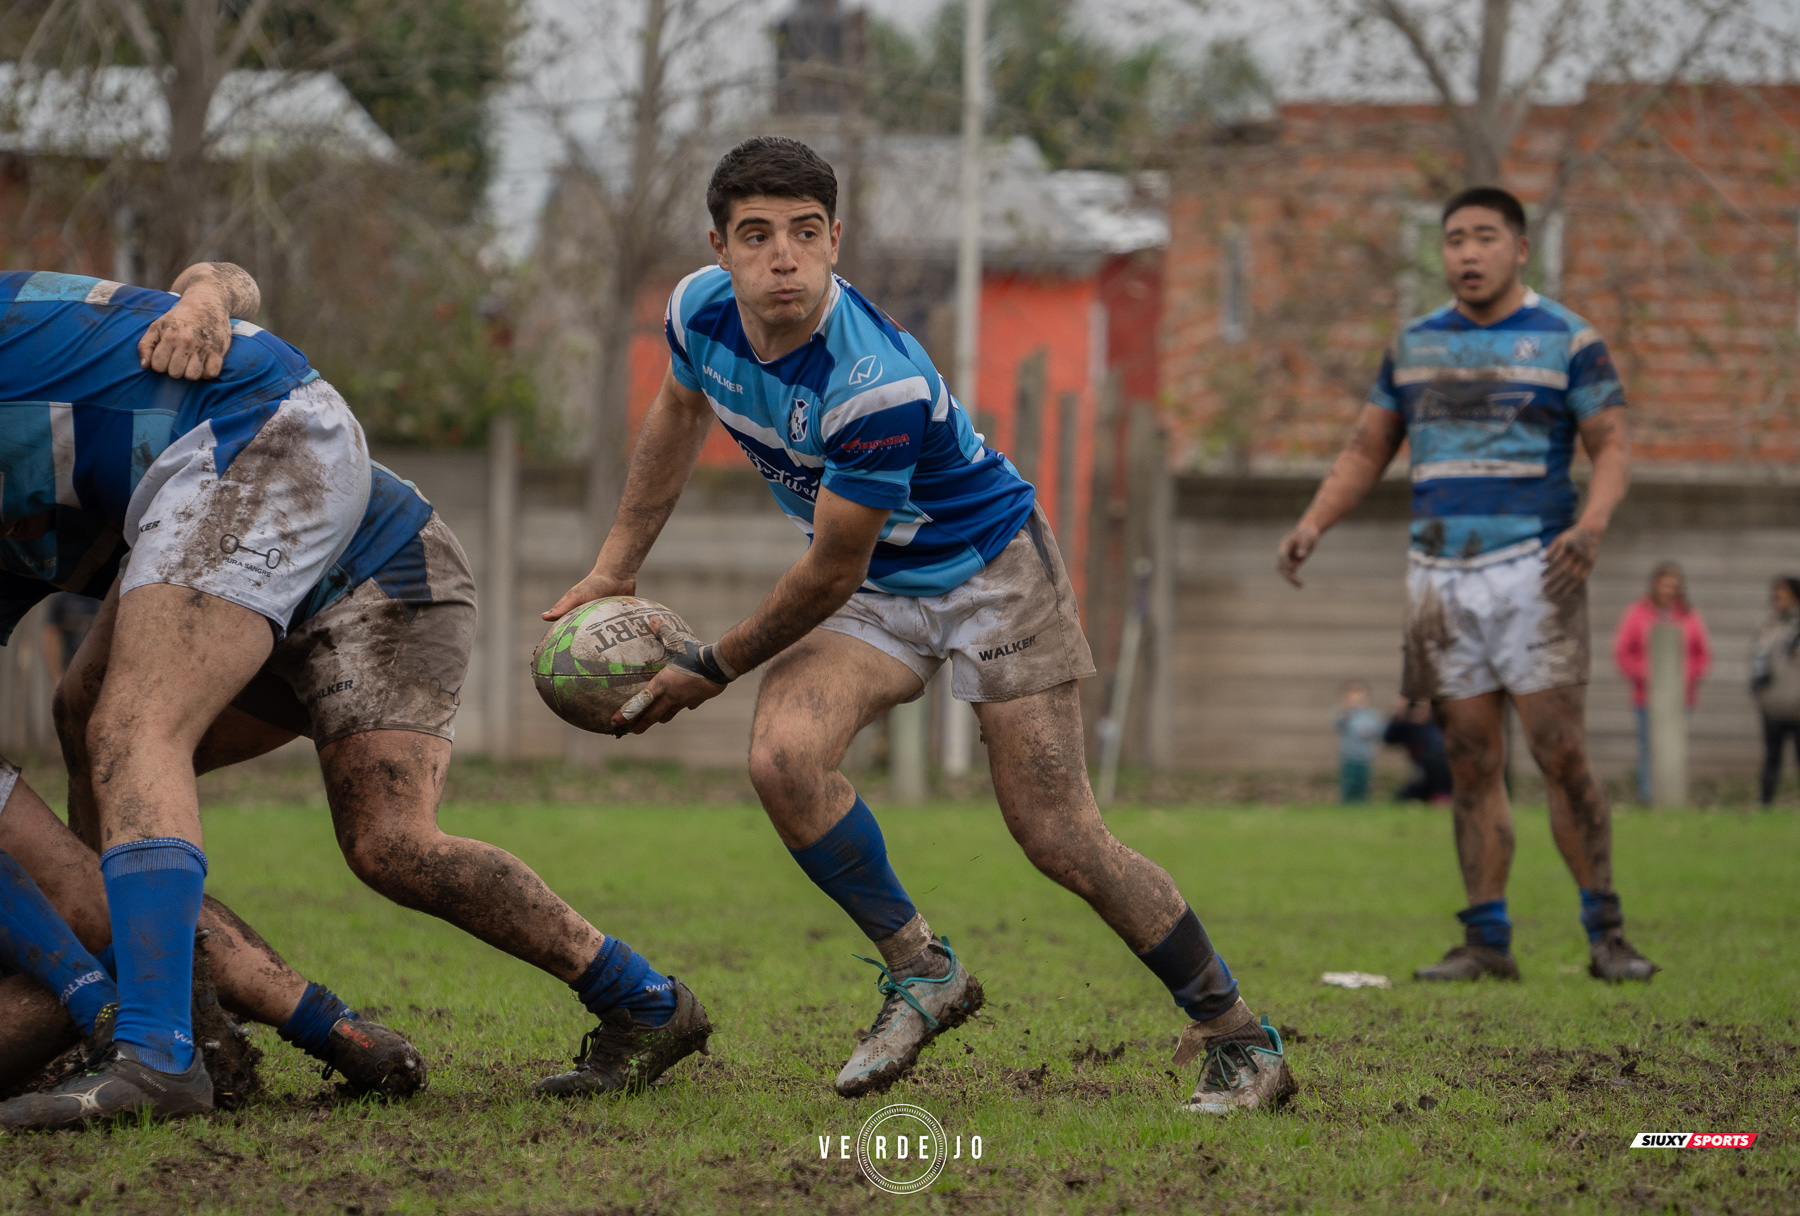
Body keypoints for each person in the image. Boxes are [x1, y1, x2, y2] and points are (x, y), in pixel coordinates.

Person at [546, 136, 1297, 1114]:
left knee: (1059, 834)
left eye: (806, 234)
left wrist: (712, 664)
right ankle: (923, 968)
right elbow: (679, 414)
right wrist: (615, 565)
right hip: (877, 590)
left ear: (835, 240)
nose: (784, 256)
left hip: (989, 571)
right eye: (758, 235)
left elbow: (827, 571)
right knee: (783, 759)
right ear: (718, 247)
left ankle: (1242, 1040)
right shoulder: (696, 313)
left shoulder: (873, 383)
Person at [0, 264, 710, 1131]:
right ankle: (172, 1021)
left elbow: (229, 280)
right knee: (91, 722)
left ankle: (642, 999)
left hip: (377, 570)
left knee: (381, 839)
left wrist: (206, 295)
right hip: (234, 536)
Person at [1276, 185, 1657, 985]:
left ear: (1521, 249)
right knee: (1470, 760)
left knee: (1561, 751)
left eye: (1485, 237)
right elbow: (1365, 450)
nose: (1468, 253)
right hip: (1440, 577)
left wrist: (1591, 528)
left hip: (1537, 572)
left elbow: (1613, 446)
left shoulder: (1568, 340)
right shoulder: (1413, 346)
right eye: (1454, 239)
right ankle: (1487, 941)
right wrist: (1313, 522)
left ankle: (1606, 934)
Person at [1612, 562, 1711, 802]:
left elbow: (1703, 655)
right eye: (1664, 584)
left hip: (1680, 698)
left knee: (1674, 747)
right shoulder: (1637, 613)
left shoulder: (1689, 615)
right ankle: (1647, 796)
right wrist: (1650, 675)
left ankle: (1674, 796)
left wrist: (1683, 677)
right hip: (1647, 697)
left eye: (1674, 585)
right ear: (1654, 585)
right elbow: (1622, 653)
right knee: (1649, 747)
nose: (1669, 590)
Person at [1750, 576, 1800, 806]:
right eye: (1776, 595)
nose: (1778, 599)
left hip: (1797, 705)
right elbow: (1758, 664)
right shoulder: (1769, 627)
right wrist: (1760, 694)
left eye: (1784, 594)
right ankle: (1765, 804)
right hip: (1773, 706)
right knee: (1772, 760)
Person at [1383, 699, 1454, 804]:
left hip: (1443, 772)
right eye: (1414, 708)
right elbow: (1388, 739)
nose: (1418, 712)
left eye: (1421, 709)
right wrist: (1398, 713)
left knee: (1434, 758)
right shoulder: (1406, 728)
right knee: (1403, 797)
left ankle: (1442, 796)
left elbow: (1437, 746)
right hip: (1421, 773)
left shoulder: (1434, 725)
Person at [1335, 681, 1384, 803]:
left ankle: (1362, 803)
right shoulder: (1346, 714)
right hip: (1348, 756)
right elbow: (1338, 722)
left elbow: (1378, 730)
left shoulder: (1371, 715)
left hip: (1365, 757)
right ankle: (1347, 803)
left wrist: (1370, 733)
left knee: (1363, 782)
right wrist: (1346, 709)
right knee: (1349, 783)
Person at [39, 593, 99, 684]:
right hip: (70, 669)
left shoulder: (103, 597)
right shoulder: (63, 599)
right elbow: (49, 637)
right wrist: (57, 677)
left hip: (98, 671)